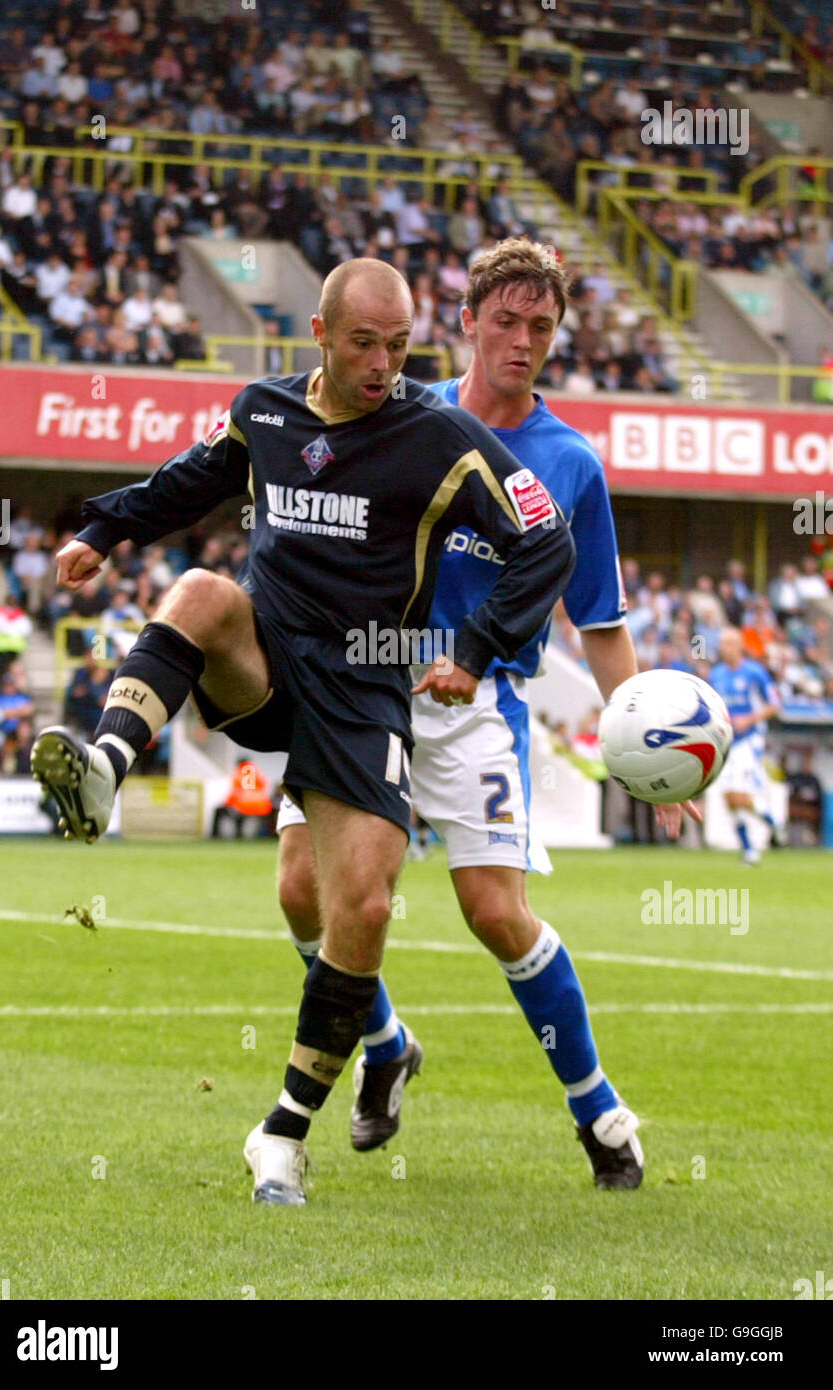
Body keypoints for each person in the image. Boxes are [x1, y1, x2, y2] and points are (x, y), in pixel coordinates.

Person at [31, 257, 576, 1206]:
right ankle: (105, 767)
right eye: (365, 343)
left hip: (366, 688)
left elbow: (546, 540)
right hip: (272, 659)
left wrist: (477, 649)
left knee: (355, 909)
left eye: (401, 345)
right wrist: (101, 531)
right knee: (202, 592)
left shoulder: (441, 434)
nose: (383, 363)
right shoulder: (263, 411)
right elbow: (186, 482)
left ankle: (280, 1134)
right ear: (320, 335)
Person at [275, 239, 700, 1190]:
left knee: (496, 912)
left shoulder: (570, 466)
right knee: (304, 890)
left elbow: (598, 624)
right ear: (464, 322)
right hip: (363, 689)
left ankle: (599, 1113)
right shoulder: (399, 414)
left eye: (540, 327)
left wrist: (647, 754)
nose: (521, 341)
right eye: (503, 321)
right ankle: (383, 1044)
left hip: (478, 707)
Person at [708, 627, 786, 866]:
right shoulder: (717, 674)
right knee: (729, 798)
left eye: (730, 643)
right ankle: (753, 846)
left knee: (739, 795)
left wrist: (749, 719)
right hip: (727, 742)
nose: (725, 648)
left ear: (740, 646)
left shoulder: (755, 672)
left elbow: (775, 704)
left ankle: (770, 828)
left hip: (749, 741)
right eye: (722, 643)